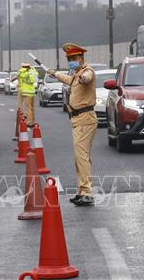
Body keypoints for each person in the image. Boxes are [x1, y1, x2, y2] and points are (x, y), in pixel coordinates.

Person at [47, 43, 97, 207]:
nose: (71, 61)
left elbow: (87, 77)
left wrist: (83, 77)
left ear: (81, 58)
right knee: (80, 157)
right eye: (69, 59)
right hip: (78, 119)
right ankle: (83, 191)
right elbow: (70, 80)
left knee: (81, 157)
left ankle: (86, 193)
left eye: (73, 59)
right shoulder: (76, 74)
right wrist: (55, 74)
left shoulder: (86, 71)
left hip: (85, 118)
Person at [17, 62, 38, 127]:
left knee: (28, 108)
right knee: (32, 108)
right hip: (32, 92)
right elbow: (36, 78)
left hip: (27, 92)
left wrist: (24, 69)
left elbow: (19, 73)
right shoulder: (33, 72)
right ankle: (33, 121)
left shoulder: (25, 73)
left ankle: (29, 122)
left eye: (23, 67)